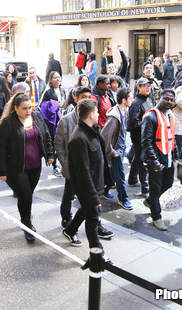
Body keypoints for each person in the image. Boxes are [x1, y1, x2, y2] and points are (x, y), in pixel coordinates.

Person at [0, 93, 54, 242]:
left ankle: (25, 216)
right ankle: (26, 223)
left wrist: (50, 154)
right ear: (15, 108)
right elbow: (0, 149)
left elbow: (45, 134)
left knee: (28, 194)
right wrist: (1, 170)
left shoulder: (36, 116)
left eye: (30, 107)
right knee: (26, 195)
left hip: (35, 164)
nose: (28, 111)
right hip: (16, 167)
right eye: (24, 108)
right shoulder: (7, 123)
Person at [61, 98, 114, 253]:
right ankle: (97, 253)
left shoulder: (93, 131)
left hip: (95, 182)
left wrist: (104, 180)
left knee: (86, 210)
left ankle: (70, 230)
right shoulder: (79, 139)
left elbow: (99, 160)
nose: (99, 114)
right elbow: (82, 172)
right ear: (91, 114)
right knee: (93, 217)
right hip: (86, 187)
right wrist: (93, 196)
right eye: (97, 112)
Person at [55, 86, 93, 228]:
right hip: (72, 166)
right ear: (76, 98)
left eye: (89, 97)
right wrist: (64, 163)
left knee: (90, 196)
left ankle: (95, 223)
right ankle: (66, 218)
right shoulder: (65, 121)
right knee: (69, 194)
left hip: (88, 165)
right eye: (84, 97)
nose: (87, 100)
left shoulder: (91, 118)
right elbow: (58, 144)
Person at [142, 90, 176, 230]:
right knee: (155, 189)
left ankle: (150, 201)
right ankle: (156, 217)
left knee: (168, 183)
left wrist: (176, 154)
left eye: (171, 99)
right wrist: (154, 162)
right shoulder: (150, 116)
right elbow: (146, 142)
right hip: (156, 159)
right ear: (159, 98)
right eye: (166, 99)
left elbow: (171, 136)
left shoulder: (170, 115)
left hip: (168, 156)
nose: (169, 101)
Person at [102, 88, 133, 209]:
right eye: (130, 98)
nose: (132, 100)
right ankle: (123, 199)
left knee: (114, 174)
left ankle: (104, 190)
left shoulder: (124, 111)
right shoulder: (114, 117)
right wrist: (112, 151)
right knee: (120, 175)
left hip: (121, 148)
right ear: (124, 100)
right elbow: (105, 136)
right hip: (116, 150)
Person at [127, 77, 154, 197]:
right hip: (140, 138)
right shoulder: (137, 103)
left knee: (138, 158)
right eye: (145, 86)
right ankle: (145, 188)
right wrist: (147, 127)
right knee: (143, 161)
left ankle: (132, 179)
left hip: (146, 136)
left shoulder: (148, 100)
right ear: (139, 88)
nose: (148, 87)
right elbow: (134, 123)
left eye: (149, 85)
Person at [40, 71, 66, 177]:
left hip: (62, 120)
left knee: (62, 143)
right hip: (52, 122)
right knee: (54, 143)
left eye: (59, 77)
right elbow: (42, 106)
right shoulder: (47, 92)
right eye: (55, 77)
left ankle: (61, 164)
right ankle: (55, 165)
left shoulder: (62, 90)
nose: (58, 79)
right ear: (50, 80)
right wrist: (55, 106)